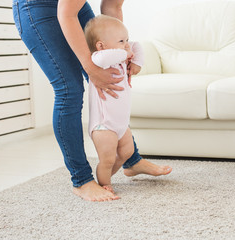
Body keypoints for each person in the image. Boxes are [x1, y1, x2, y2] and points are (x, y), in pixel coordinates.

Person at [12, 0, 172, 202]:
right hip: (38, 7)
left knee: (110, 76)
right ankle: (82, 180)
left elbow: (113, 6)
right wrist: (90, 66)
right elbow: (65, 13)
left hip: (74, 8)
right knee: (69, 88)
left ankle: (131, 160)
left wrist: (120, 55)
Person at [84, 15, 143, 200]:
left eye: (126, 39)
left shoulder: (119, 59)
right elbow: (104, 56)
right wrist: (126, 54)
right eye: (121, 41)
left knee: (127, 152)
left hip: (120, 124)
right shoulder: (99, 59)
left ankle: (107, 176)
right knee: (107, 159)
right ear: (101, 45)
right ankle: (105, 184)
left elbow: (138, 46)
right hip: (104, 125)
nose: (127, 44)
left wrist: (135, 62)